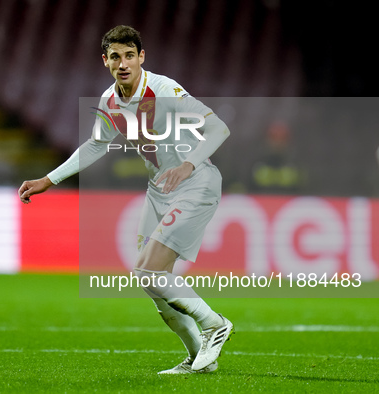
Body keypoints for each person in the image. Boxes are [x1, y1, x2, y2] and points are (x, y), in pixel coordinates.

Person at [18, 25, 232, 374]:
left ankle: (215, 324)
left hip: (195, 183)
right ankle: (198, 359)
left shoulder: (164, 89)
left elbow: (219, 128)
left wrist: (188, 164)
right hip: (158, 191)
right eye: (115, 56)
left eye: (129, 55)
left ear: (141, 57)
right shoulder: (110, 101)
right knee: (153, 284)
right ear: (105, 61)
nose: (123, 63)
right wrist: (48, 179)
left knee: (147, 270)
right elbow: (96, 145)